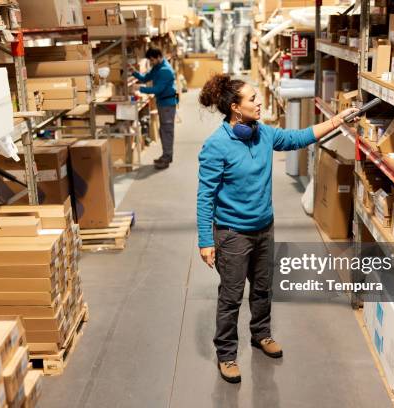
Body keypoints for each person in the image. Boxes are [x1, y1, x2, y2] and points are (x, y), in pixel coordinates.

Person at [196, 74, 359, 384]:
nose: (259, 103)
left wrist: (337, 119)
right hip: (232, 233)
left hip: (263, 228)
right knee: (231, 296)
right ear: (235, 108)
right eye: (252, 99)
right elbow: (205, 197)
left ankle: (261, 334)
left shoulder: (263, 134)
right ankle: (227, 354)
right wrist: (206, 240)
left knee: (262, 287)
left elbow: (299, 137)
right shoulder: (216, 146)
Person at [131, 48, 178, 170]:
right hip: (162, 102)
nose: (151, 63)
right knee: (163, 131)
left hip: (168, 104)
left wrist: (139, 89)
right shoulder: (157, 67)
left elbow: (157, 89)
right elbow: (146, 78)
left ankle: (167, 158)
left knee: (167, 131)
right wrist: (134, 72)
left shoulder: (165, 70)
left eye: (152, 60)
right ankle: (165, 155)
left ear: (158, 57)